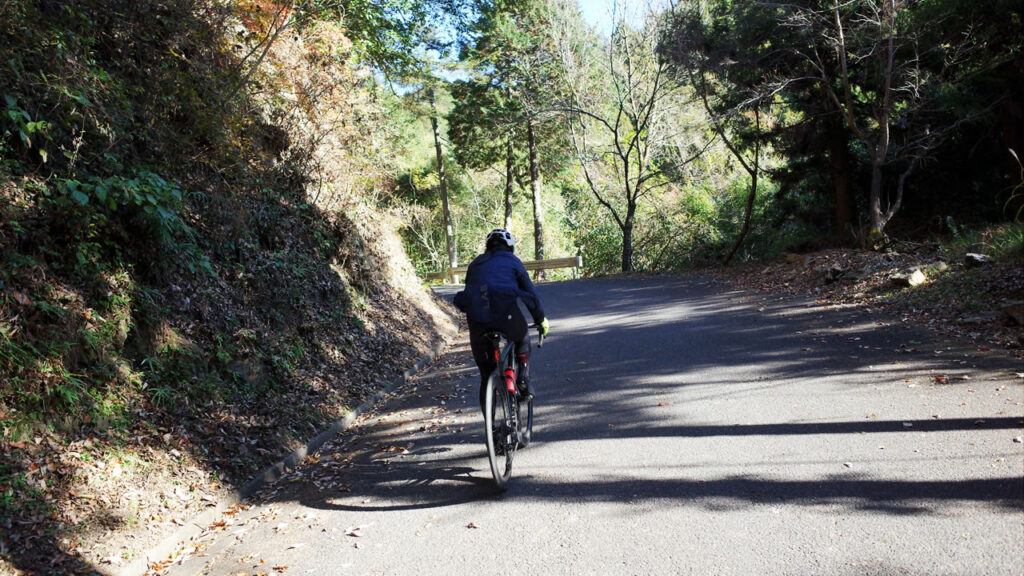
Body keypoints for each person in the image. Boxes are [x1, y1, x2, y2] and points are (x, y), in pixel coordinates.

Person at [453, 228, 549, 411]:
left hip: (477, 320)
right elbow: (531, 293)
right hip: (507, 315)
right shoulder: (513, 261)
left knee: (486, 376)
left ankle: (492, 431)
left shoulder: (475, 264)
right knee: (522, 337)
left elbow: (470, 292)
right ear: (510, 247)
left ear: (487, 247)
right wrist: (540, 319)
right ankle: (522, 377)